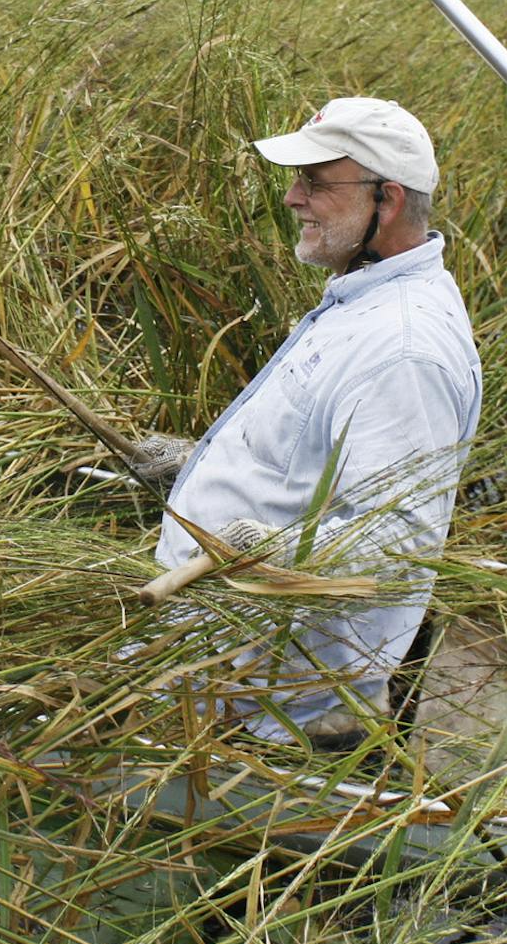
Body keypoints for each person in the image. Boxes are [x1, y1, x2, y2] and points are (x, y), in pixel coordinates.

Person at [131, 97, 483, 745]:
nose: (293, 198)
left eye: (316, 182)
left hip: (275, 717)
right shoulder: (365, 296)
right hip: (220, 665)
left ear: (389, 199)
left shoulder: (404, 351)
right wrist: (195, 467)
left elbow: (397, 552)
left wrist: (260, 546)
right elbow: (310, 456)